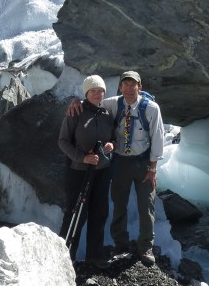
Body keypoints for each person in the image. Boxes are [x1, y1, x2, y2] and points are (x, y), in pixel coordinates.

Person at [68, 70, 165, 266]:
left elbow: (158, 137)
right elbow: (92, 101)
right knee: (119, 204)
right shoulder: (113, 103)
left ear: (140, 87)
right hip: (120, 162)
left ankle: (145, 246)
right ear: (120, 87)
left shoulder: (151, 108)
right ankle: (121, 244)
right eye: (125, 85)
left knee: (146, 205)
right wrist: (75, 101)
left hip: (144, 162)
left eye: (133, 85)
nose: (129, 89)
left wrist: (153, 168)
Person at [58, 74, 115, 268]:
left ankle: (95, 255)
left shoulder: (106, 115)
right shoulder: (76, 111)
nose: (97, 94)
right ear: (86, 93)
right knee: (75, 214)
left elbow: (113, 138)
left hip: (102, 171)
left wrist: (111, 145)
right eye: (93, 90)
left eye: (100, 91)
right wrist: (82, 157)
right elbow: (63, 141)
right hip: (79, 172)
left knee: (99, 213)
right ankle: (64, 257)